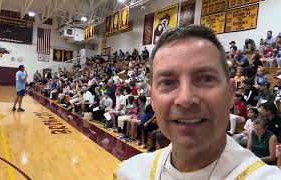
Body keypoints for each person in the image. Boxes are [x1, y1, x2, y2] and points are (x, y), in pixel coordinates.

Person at [114, 25, 281, 179]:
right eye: (167, 82)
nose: (185, 99)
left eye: (206, 79)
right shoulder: (130, 173)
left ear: (230, 92)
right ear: (153, 98)